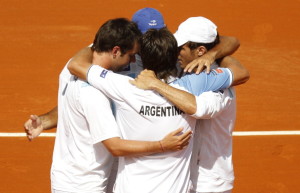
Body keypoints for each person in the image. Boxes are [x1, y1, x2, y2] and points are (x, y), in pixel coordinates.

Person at [67, 23, 249, 192]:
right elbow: (240, 71)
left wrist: (98, 44)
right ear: (174, 57)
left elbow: (76, 64)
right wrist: (213, 54)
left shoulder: (123, 86)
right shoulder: (196, 84)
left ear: (141, 59)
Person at [50, 18, 194, 193]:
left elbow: (69, 98)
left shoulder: (68, 69)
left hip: (67, 176)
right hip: (85, 184)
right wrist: (162, 145)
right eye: (131, 55)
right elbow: (115, 146)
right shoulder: (96, 94)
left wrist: (44, 120)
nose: (134, 60)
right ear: (116, 50)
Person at [131, 16, 250, 193]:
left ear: (200, 50)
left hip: (208, 181)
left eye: (181, 48)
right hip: (188, 175)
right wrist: (213, 53)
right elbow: (230, 40)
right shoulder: (192, 67)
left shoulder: (217, 84)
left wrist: (156, 84)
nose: (175, 52)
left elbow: (198, 108)